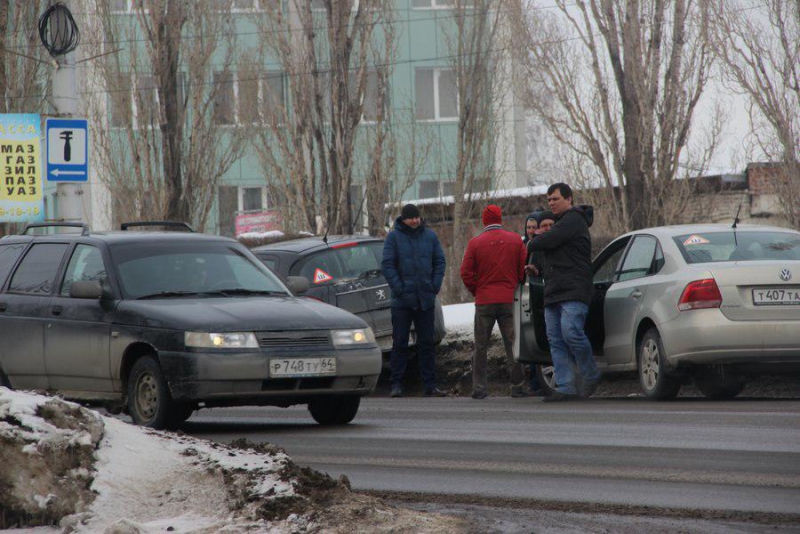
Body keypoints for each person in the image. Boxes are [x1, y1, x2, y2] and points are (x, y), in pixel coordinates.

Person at [528, 183, 601, 402]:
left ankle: (590, 374)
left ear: (569, 199)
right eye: (549, 200)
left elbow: (543, 241)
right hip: (554, 291)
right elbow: (551, 253)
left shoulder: (573, 219)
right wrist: (537, 268)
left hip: (573, 289)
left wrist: (534, 240)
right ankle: (566, 385)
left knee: (571, 332)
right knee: (556, 341)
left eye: (555, 199)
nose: (551, 203)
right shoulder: (560, 225)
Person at [460, 205, 527, 399]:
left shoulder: (474, 243)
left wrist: (477, 290)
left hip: (485, 301)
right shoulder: (515, 240)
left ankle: (479, 388)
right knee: (512, 344)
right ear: (500, 218)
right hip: (508, 299)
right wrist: (513, 284)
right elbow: (522, 269)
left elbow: (465, 273)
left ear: (484, 220)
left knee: (480, 346)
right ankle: (517, 386)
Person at [382, 203, 447, 398]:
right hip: (402, 302)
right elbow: (388, 265)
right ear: (404, 219)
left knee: (426, 343)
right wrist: (399, 289)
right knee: (400, 343)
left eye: (417, 217)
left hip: (425, 299)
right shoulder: (393, 237)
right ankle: (396, 384)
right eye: (412, 218)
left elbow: (439, 262)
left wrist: (433, 286)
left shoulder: (430, 236)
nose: (416, 221)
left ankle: (429, 385)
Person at [522, 210, 554, 396]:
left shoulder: (542, 245)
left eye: (535, 227)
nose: (531, 231)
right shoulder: (525, 246)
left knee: (543, 338)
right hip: (530, 297)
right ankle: (534, 383)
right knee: (532, 340)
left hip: (543, 295)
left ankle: (540, 383)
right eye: (529, 228)